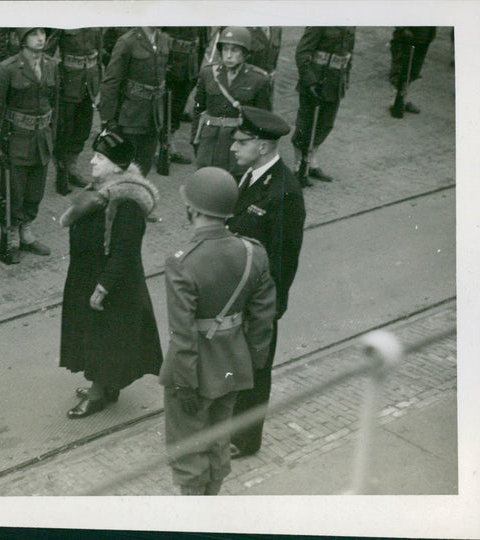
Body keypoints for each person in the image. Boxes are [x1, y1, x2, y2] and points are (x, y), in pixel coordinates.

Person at [160, 167, 276, 495]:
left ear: (193, 209)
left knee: (188, 451)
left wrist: (184, 381)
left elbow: (182, 334)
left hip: (194, 371)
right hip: (233, 365)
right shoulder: (254, 252)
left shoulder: (182, 263)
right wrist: (250, 361)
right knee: (218, 440)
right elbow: (263, 317)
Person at [58, 130, 163, 419]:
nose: (91, 162)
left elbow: (125, 251)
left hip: (111, 282)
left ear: (117, 166)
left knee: (103, 336)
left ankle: (96, 394)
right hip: (92, 274)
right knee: (100, 334)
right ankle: (106, 386)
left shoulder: (126, 202)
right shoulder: (105, 186)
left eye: (99, 158)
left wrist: (103, 287)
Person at [226, 106, 305, 459]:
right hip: (237, 293)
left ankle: (245, 439)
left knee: (256, 370)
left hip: (259, 301)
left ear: (262, 146)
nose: (233, 147)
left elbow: (284, 260)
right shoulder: (250, 176)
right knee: (235, 364)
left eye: (241, 142)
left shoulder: (284, 191)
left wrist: (267, 309)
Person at [0, 27, 57, 263]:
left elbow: (55, 104)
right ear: (22, 40)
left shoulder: (51, 65)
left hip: (42, 138)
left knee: (36, 189)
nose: (41, 38)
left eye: (43, 33)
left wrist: (52, 134)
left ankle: (26, 232)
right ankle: (11, 235)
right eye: (34, 34)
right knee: (15, 191)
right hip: (17, 140)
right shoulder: (8, 68)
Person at [192, 27, 271, 176]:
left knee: (235, 188)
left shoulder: (258, 80)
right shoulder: (208, 73)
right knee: (206, 185)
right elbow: (198, 108)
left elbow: (263, 119)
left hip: (238, 144)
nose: (228, 55)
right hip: (209, 143)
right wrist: (195, 140)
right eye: (225, 49)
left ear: (245, 53)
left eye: (234, 50)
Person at [99, 27, 169, 177]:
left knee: (144, 166)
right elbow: (111, 82)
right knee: (123, 166)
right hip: (130, 115)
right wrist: (108, 119)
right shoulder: (127, 42)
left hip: (154, 116)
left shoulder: (164, 40)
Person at [291, 26, 356, 184]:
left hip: (335, 83)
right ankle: (299, 165)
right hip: (316, 80)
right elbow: (302, 52)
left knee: (325, 124)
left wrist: (345, 79)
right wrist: (309, 81)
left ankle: (312, 162)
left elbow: (349, 55)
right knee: (305, 124)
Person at [45, 28, 102, 195]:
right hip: (68, 83)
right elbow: (48, 53)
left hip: (89, 83)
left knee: (83, 127)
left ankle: (72, 166)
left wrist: (98, 81)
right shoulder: (64, 19)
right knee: (64, 128)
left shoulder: (95, 19)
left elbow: (98, 53)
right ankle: (62, 170)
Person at [162, 27, 202, 165]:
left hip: (188, 66)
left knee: (177, 108)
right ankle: (163, 148)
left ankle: (169, 146)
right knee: (165, 107)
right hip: (170, 62)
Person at [389, 27, 437, 118]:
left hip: (425, 36)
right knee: (401, 69)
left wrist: (431, 33)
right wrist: (402, 29)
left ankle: (403, 100)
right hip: (408, 35)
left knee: (414, 71)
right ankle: (395, 102)